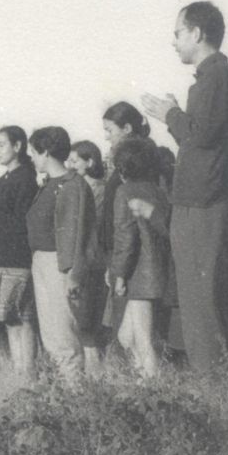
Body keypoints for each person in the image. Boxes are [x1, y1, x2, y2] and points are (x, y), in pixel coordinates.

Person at [141, 0, 228, 372]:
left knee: (201, 304)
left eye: (178, 33)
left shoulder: (217, 75)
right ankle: (212, 385)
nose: (174, 41)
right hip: (196, 199)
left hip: (202, 202)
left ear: (197, 33)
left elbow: (200, 137)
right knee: (196, 300)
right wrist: (175, 116)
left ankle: (213, 390)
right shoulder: (212, 76)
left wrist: (169, 113)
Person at [25, 126, 97, 382]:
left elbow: (80, 234)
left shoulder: (72, 185)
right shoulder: (50, 184)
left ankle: (76, 399)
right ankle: (66, 399)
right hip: (43, 263)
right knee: (53, 338)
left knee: (64, 339)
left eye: (34, 152)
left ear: (45, 152)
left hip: (60, 267)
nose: (31, 158)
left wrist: (74, 274)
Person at [0, 126, 40, 374]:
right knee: (11, 321)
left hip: (16, 260)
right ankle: (19, 371)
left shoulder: (25, 178)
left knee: (21, 320)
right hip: (1, 258)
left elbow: (22, 223)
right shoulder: (5, 179)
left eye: (2, 144)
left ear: (18, 146)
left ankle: (28, 372)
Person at [112, 137, 172, 378]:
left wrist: (119, 275)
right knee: (127, 336)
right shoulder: (159, 191)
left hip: (139, 275)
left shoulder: (124, 191)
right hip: (158, 271)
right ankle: (145, 385)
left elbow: (125, 238)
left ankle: (152, 391)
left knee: (141, 340)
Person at [97, 103, 152, 344]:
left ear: (127, 128)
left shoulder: (140, 162)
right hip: (122, 253)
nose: (106, 137)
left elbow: (129, 224)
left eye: (110, 130)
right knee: (127, 331)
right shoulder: (129, 162)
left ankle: (139, 378)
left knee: (130, 330)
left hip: (132, 258)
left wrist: (119, 266)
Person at [67, 139, 109, 372]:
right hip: (84, 259)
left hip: (92, 261)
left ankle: (95, 373)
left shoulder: (96, 189)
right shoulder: (82, 188)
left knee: (87, 321)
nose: (70, 165)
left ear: (90, 162)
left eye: (75, 161)